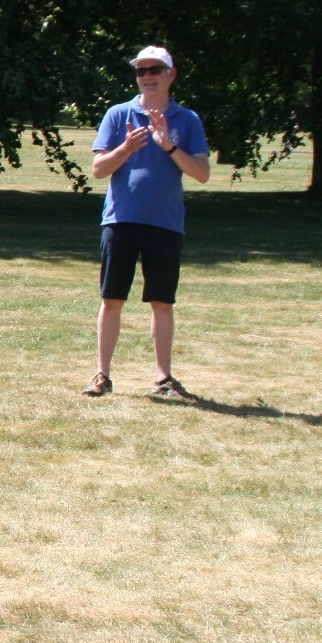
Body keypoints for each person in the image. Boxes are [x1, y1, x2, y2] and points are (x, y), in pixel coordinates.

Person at [83, 45, 211, 400]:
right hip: (121, 220)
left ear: (171, 74)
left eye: (155, 69)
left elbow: (202, 173)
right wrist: (125, 148)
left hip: (165, 224)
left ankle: (163, 378)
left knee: (162, 302)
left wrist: (169, 146)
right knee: (112, 299)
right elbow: (98, 170)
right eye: (141, 71)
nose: (147, 76)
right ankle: (102, 376)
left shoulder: (187, 119)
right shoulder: (118, 114)